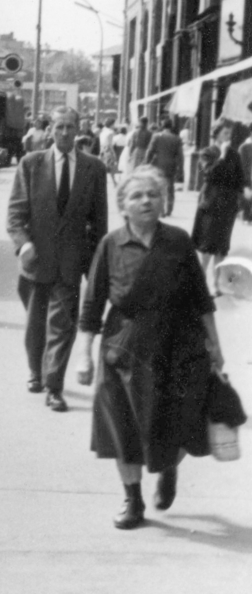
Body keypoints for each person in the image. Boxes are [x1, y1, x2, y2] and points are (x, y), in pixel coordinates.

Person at [76, 165, 224, 529]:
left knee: (179, 423)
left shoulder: (177, 241)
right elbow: (92, 305)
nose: (146, 201)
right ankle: (132, 500)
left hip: (179, 345)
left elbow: (200, 298)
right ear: (123, 205)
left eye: (153, 194)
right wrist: (83, 354)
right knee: (121, 428)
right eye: (137, 196)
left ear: (163, 201)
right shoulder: (110, 244)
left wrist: (215, 346)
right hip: (123, 347)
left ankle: (169, 465)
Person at [7, 105, 108, 410]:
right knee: (36, 326)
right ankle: (35, 372)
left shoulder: (94, 168)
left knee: (63, 326)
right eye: (59, 126)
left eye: (70, 127)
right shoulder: (31, 164)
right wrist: (24, 246)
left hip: (71, 261)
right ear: (49, 129)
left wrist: (96, 267)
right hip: (36, 261)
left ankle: (54, 387)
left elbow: (99, 222)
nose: (65, 133)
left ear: (79, 130)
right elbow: (16, 215)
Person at [192, 124, 246, 292]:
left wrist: (240, 202)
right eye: (225, 133)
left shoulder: (235, 155)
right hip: (210, 204)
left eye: (229, 134)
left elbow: (239, 180)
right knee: (207, 246)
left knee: (221, 247)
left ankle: (217, 284)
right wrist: (222, 155)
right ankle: (200, 285)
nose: (228, 137)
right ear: (216, 134)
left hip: (227, 206)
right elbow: (209, 173)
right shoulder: (207, 153)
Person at [143, 115, 185, 215]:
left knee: (159, 187)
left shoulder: (156, 136)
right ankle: (169, 209)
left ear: (162, 126)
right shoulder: (176, 139)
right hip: (171, 166)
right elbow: (180, 156)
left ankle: (161, 209)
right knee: (170, 188)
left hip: (158, 165)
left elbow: (150, 151)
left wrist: (146, 163)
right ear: (171, 127)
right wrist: (181, 170)